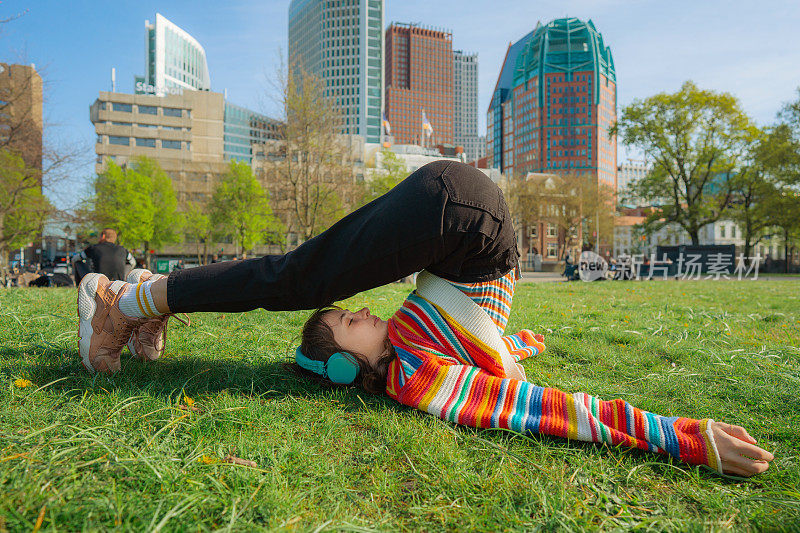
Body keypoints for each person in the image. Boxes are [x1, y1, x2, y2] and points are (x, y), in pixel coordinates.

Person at [75, 161, 773, 477]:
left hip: (461, 214)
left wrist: (513, 346)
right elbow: (548, 409)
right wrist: (683, 436)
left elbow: (504, 368)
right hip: (463, 214)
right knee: (294, 277)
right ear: (345, 364)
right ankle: (132, 297)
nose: (363, 308)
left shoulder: (414, 357)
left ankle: (133, 300)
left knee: (295, 276)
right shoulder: (415, 373)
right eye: (348, 319)